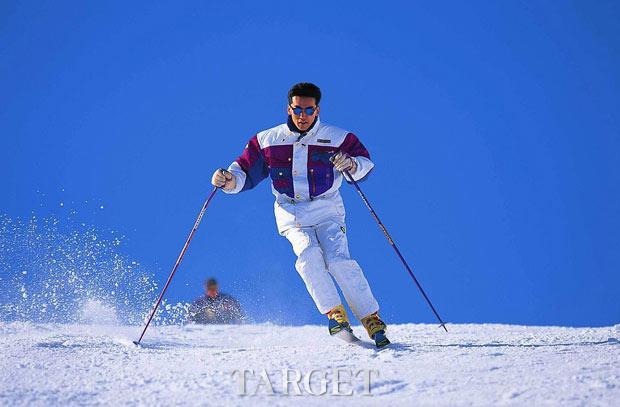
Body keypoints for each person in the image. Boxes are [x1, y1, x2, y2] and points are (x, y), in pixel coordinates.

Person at [211, 83, 389, 347]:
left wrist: (351, 164)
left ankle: (370, 317)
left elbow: (366, 164)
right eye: (297, 109)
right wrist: (227, 180)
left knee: (338, 259)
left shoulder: (338, 137)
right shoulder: (268, 140)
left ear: (317, 110)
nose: (303, 115)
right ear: (289, 108)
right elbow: (245, 172)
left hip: (327, 208)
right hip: (291, 210)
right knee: (308, 255)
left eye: (308, 109)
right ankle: (334, 313)